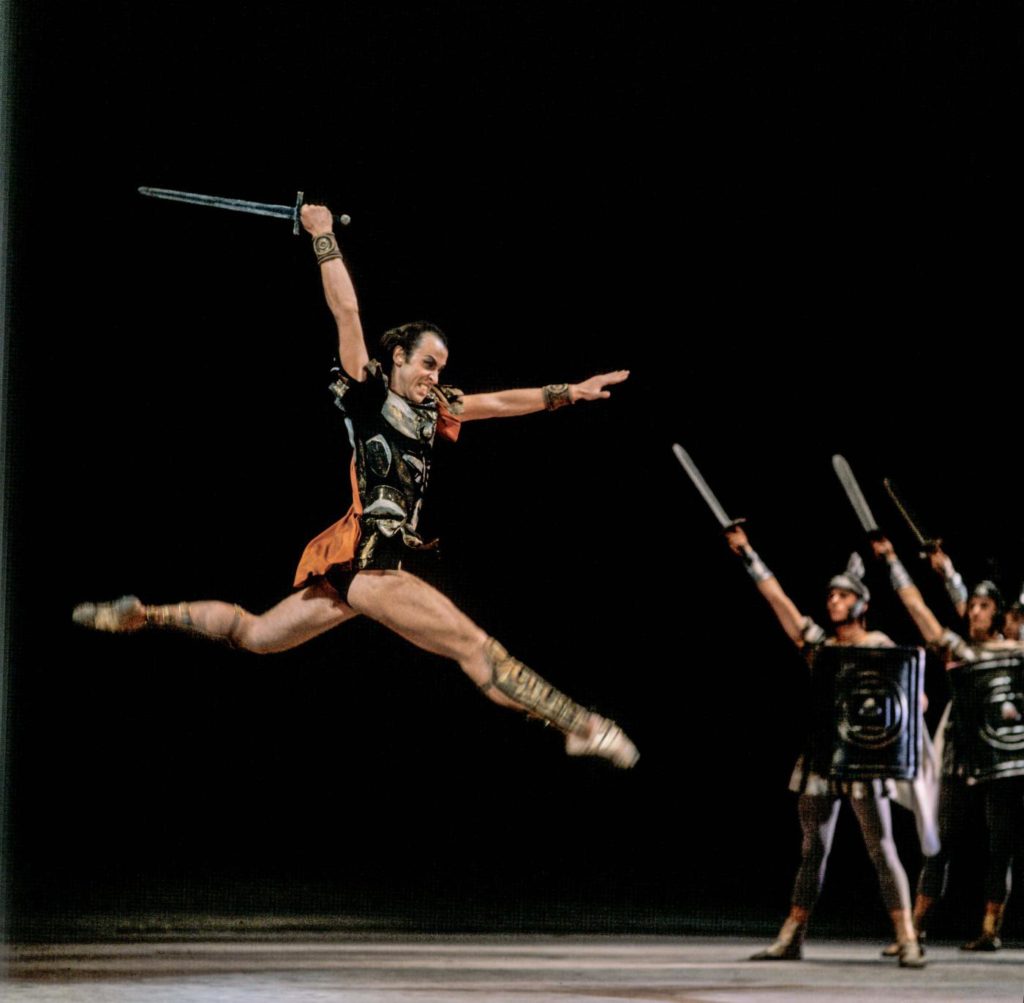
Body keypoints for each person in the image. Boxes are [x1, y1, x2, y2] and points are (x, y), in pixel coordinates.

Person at [73, 203, 639, 769]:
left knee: (256, 634)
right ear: (398, 357)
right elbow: (346, 309)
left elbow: (502, 402)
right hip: (375, 563)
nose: (434, 377)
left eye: (440, 368)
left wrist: (571, 391)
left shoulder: (436, 408)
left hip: (351, 574)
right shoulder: (371, 394)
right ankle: (582, 724)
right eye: (427, 364)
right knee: (474, 647)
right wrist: (322, 236)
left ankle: (142, 614)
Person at [724, 526, 926, 967]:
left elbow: (915, 697)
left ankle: (907, 936)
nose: (832, 601)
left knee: (882, 848)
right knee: (812, 848)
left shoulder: (880, 648)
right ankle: (793, 934)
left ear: (861, 603)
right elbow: (780, 602)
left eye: (840, 595)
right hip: (822, 757)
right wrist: (749, 555)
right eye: (830, 595)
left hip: (865, 762)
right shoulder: (822, 647)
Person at [873, 536, 1024, 952]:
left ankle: (991, 928)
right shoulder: (960, 649)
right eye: (971, 605)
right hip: (959, 752)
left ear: (999, 614)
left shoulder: (1015, 653)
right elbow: (920, 612)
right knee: (937, 840)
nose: (974, 611)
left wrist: (950, 576)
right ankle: (915, 928)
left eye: (984, 607)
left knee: (1000, 846)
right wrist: (902, 565)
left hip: (1002, 756)